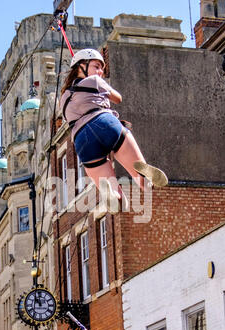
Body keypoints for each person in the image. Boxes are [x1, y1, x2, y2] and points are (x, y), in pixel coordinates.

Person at [60, 48, 168, 213]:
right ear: (81, 66)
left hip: (82, 141)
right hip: (103, 122)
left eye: (101, 68)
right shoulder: (95, 81)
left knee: (117, 198)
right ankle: (144, 178)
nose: (100, 71)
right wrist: (103, 88)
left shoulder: (64, 98)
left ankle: (112, 193)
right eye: (96, 66)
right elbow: (118, 98)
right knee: (136, 166)